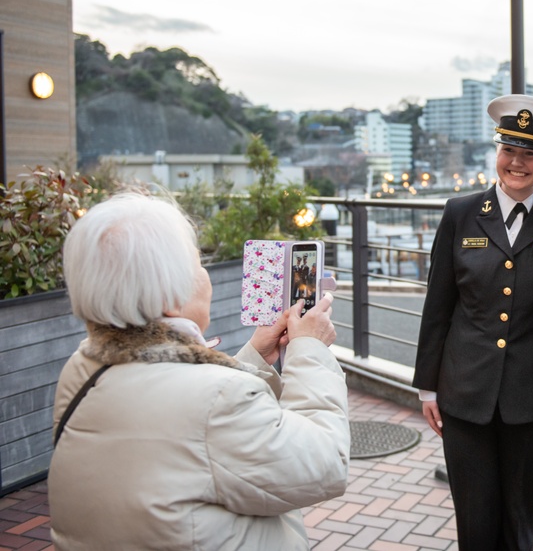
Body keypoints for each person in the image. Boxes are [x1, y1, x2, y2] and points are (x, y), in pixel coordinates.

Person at [48, 192, 350, 551]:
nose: (205, 274)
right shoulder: (218, 399)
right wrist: (309, 349)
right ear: (171, 295)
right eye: (197, 264)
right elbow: (323, 465)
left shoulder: (84, 367)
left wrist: (254, 357)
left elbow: (190, 430)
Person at [413, 94, 533, 550]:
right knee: (474, 524)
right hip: (464, 395)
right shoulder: (460, 213)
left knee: (519, 520)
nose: (517, 163)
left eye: (530, 154)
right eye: (509, 151)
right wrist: (428, 386)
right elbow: (438, 304)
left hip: (531, 400)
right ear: (496, 154)